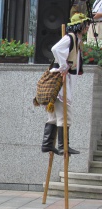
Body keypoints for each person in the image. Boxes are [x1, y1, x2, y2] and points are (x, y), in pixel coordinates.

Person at [41, 13, 90, 156]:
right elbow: (55, 49)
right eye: (85, 24)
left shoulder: (76, 39)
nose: (87, 27)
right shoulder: (71, 37)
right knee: (64, 115)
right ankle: (63, 146)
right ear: (79, 25)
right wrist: (64, 66)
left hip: (62, 81)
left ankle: (48, 144)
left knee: (54, 117)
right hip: (61, 82)